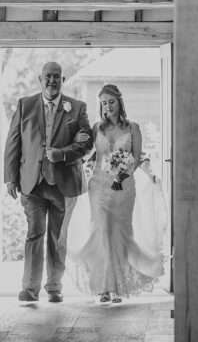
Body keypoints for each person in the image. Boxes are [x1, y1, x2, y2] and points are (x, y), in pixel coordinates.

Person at [65, 84, 167, 303]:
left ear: (120, 103)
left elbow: (138, 157)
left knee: (120, 235)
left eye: (111, 101)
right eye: (103, 103)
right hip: (99, 188)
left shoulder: (133, 128)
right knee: (101, 232)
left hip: (123, 188)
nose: (107, 106)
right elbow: (90, 156)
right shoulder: (96, 128)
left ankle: (118, 287)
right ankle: (103, 287)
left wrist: (150, 175)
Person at [4, 61, 92, 303]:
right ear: (40, 80)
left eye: (57, 76)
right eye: (48, 76)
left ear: (63, 80)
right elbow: (13, 143)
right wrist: (10, 178)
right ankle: (29, 289)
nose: (52, 80)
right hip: (32, 183)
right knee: (34, 233)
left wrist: (62, 153)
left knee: (57, 237)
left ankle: (54, 287)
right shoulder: (25, 105)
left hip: (63, 183)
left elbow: (86, 144)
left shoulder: (77, 108)